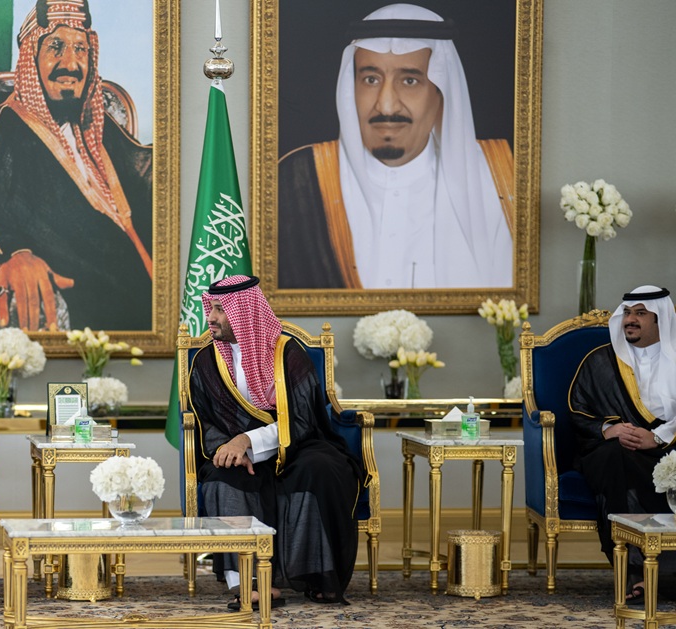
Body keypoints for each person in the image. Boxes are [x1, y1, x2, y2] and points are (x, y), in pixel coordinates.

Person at [0, 0, 153, 331]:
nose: (70, 63)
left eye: (80, 49)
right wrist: (8, 253)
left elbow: (148, 180)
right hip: (88, 301)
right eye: (56, 46)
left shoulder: (99, 127)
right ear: (31, 55)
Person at [277, 3, 514, 290]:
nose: (386, 105)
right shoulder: (297, 180)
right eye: (371, 79)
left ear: (441, 93)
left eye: (410, 80)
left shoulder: (499, 180)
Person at [187, 275, 362, 607]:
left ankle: (317, 575)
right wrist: (230, 447)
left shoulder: (287, 354)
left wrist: (247, 440)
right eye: (211, 308)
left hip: (297, 444)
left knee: (322, 470)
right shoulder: (207, 362)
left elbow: (302, 419)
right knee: (225, 477)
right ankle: (249, 583)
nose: (211, 317)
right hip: (236, 450)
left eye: (220, 309)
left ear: (245, 313)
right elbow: (206, 420)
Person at [569, 285, 676, 604]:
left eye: (641, 313)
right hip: (612, 450)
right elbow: (576, 409)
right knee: (614, 457)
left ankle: (655, 573)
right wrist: (608, 429)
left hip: (666, 450)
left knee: (640, 470)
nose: (631, 319)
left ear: (660, 319)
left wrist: (658, 436)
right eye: (628, 313)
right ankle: (636, 569)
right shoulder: (600, 361)